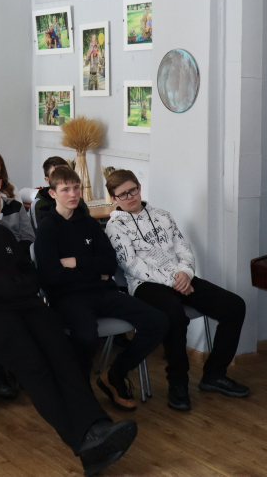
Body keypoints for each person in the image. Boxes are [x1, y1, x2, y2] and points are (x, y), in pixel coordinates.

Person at [0, 173, 138, 477]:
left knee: (64, 357)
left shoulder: (1, 233)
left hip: (26, 306)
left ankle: (98, 426)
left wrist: (17, 285)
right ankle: (83, 443)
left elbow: (30, 274)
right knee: (34, 366)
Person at [105, 169, 249, 412]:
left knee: (234, 305)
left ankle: (214, 375)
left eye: (133, 190)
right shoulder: (114, 226)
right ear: (114, 199)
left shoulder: (163, 215)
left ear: (139, 187)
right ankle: (178, 383)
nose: (130, 197)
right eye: (123, 194)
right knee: (175, 316)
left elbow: (184, 249)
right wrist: (173, 280)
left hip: (181, 278)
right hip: (145, 285)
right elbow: (132, 265)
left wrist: (186, 273)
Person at [36, 167, 166, 411]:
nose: (73, 194)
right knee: (86, 336)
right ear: (52, 193)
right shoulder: (47, 228)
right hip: (68, 297)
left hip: (103, 292)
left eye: (76, 188)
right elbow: (51, 277)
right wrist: (94, 271)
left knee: (157, 321)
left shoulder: (90, 224)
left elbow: (109, 263)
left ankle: (114, 375)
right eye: (65, 189)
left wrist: (75, 262)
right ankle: (80, 392)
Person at [34, 157, 89, 226]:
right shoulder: (39, 204)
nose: (64, 176)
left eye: (67, 172)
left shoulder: (78, 201)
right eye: (56, 174)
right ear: (47, 180)